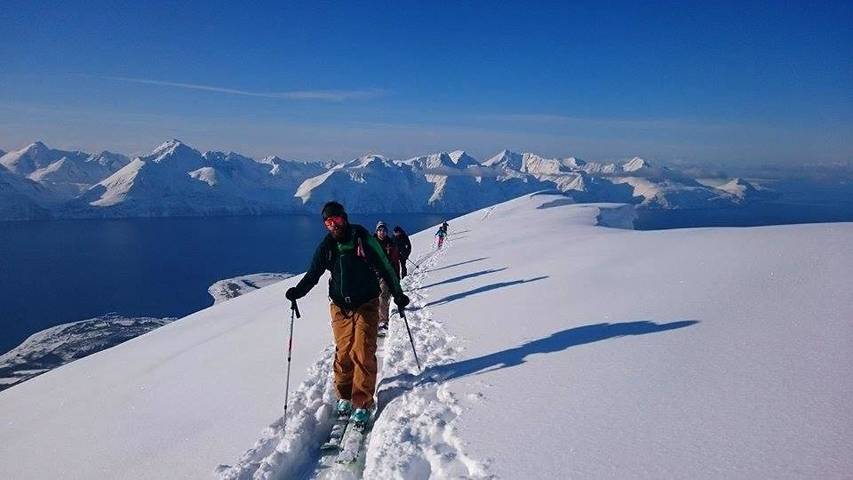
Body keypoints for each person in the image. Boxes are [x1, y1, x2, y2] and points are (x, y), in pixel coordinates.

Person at [285, 201, 409, 426]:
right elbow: (313, 274)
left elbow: (385, 265)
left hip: (367, 302)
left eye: (337, 220)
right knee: (343, 352)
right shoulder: (327, 246)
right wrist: (297, 292)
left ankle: (361, 401)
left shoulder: (362, 237)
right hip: (340, 305)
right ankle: (344, 396)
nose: (334, 226)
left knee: (362, 350)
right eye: (328, 223)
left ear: (345, 218)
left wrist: (398, 293)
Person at [373, 221, 400, 333]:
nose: (382, 232)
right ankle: (374, 318)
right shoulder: (371, 243)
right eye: (380, 230)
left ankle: (383, 321)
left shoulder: (390, 243)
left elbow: (395, 261)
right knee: (373, 297)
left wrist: (397, 276)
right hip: (373, 274)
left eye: (384, 230)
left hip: (386, 274)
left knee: (383, 294)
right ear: (376, 231)